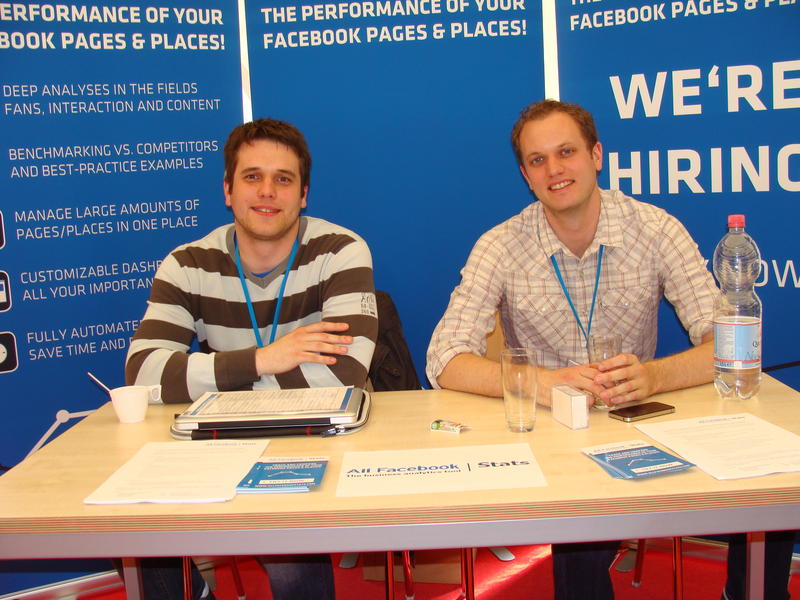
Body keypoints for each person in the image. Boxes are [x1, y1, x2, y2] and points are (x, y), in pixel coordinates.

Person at [426, 99, 719, 600]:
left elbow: (732, 345)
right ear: (525, 175)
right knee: (582, 532)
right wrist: (541, 384)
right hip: (550, 435)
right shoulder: (501, 244)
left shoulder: (656, 229)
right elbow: (443, 359)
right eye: (538, 160)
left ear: (596, 155)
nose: (555, 170)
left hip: (633, 421)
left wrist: (654, 377)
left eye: (566, 152)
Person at [125, 117, 378, 600]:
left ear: (303, 194)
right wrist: (265, 359)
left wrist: (207, 385)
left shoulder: (340, 252)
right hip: (218, 445)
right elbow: (144, 375)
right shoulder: (187, 264)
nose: (267, 192)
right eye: (252, 177)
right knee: (136, 530)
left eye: (283, 179)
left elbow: (340, 379)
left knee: (290, 557)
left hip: (312, 443)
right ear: (228, 190)